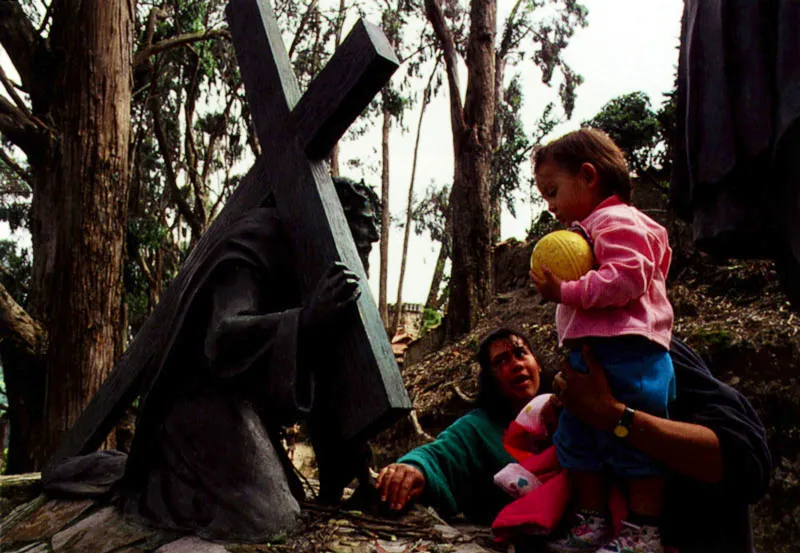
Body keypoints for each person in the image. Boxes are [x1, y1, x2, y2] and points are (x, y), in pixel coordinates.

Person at [375, 327, 770, 553]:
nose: (515, 364)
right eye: (501, 361)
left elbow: (747, 460)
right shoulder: (485, 426)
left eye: (520, 353)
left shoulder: (651, 358)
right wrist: (413, 468)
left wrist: (610, 413)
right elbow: (444, 453)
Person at [530, 128, 676, 552]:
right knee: (579, 439)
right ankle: (591, 522)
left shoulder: (619, 220)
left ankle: (644, 530)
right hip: (590, 353)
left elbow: (628, 279)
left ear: (589, 176)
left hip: (631, 352)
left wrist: (565, 293)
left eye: (553, 192)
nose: (551, 206)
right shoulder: (587, 229)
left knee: (634, 438)